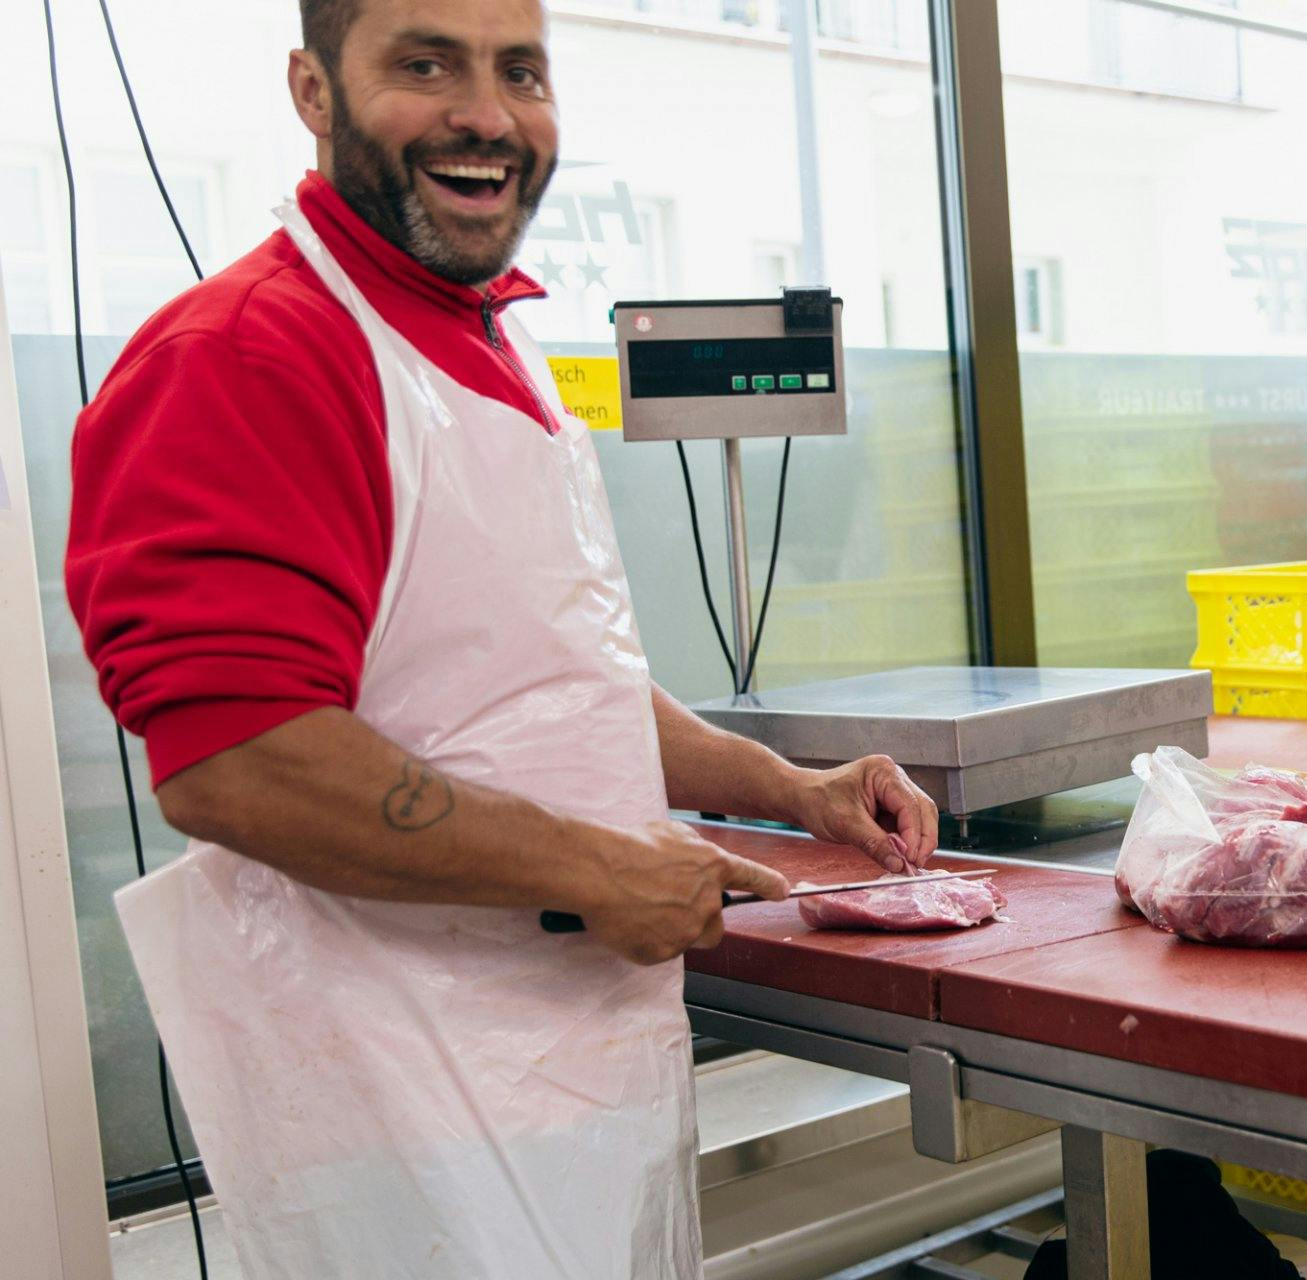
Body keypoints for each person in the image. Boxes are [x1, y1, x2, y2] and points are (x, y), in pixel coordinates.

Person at [64, 1, 938, 1275]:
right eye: (427, 64)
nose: (486, 113)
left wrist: (788, 789)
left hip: (576, 1084)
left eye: (518, 71)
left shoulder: (493, 341)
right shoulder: (250, 355)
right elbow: (238, 760)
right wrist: (599, 867)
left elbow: (545, 686)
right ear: (313, 89)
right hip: (400, 1120)